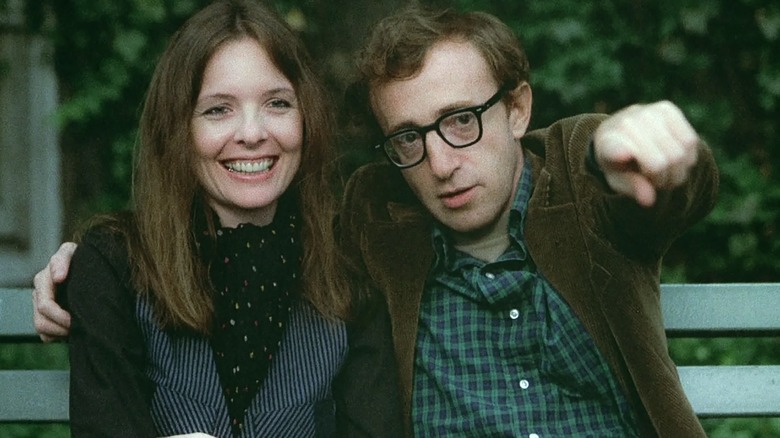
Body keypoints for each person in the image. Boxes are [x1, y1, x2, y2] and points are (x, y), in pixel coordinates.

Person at [34, 5, 718, 438]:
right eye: (409, 138)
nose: (442, 162)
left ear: (516, 109)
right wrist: (86, 266)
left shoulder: (581, 197)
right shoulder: (376, 227)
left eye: (461, 121)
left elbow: (664, 193)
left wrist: (647, 149)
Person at [33, 0, 400, 437]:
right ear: (179, 129)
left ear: (307, 118)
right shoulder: (116, 266)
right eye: (217, 110)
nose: (251, 133)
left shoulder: (348, 272)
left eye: (278, 103)